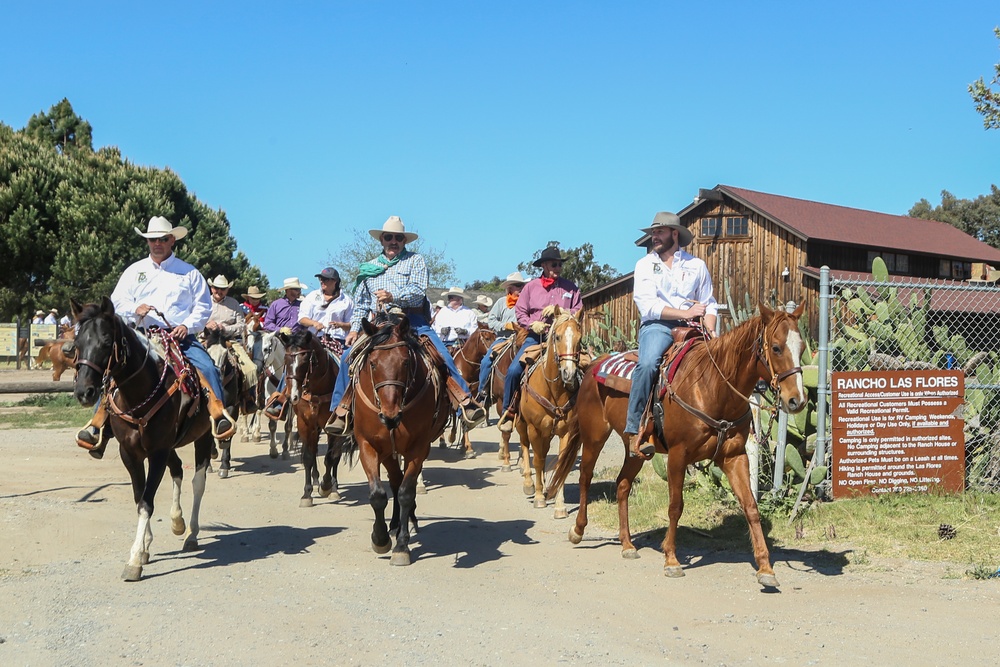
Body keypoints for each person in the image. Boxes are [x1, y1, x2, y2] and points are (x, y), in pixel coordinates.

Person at [76, 215, 234, 451]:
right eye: (152, 240)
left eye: (162, 239)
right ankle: (98, 426)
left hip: (179, 337)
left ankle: (218, 415)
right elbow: (116, 303)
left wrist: (186, 326)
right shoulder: (134, 271)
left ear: (172, 240)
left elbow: (202, 307)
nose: (157, 243)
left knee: (207, 367)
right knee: (111, 371)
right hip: (140, 336)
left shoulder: (189, 273)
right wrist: (134, 308)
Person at [323, 215, 485, 435]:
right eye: (388, 237)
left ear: (404, 241)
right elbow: (361, 303)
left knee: (442, 356)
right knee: (347, 357)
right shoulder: (369, 268)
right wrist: (353, 329)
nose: (393, 241)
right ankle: (340, 411)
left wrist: (394, 297)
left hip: (412, 321)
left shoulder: (415, 260)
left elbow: (418, 292)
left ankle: (465, 403)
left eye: (398, 238)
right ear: (381, 240)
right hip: (380, 323)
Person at [625, 211, 718, 459]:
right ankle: (637, 428)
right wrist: (686, 312)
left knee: (720, 363)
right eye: (653, 232)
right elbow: (649, 306)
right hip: (659, 325)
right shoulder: (645, 265)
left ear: (674, 234)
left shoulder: (696, 265)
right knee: (647, 364)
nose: (654, 236)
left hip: (694, 328)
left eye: (659, 231)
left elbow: (709, 303)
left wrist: (711, 330)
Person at [499, 247, 582, 432]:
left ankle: (585, 411)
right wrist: (532, 324)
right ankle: (509, 411)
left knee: (586, 368)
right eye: (554, 264)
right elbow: (520, 312)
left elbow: (578, 310)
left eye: (560, 264)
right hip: (537, 337)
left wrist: (562, 312)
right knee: (513, 370)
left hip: (564, 339)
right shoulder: (531, 287)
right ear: (544, 265)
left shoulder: (571, 288)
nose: (558, 267)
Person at [477, 271, 527, 398]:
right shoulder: (501, 302)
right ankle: (483, 390)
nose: (521, 288)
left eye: (522, 285)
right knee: (486, 361)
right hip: (503, 339)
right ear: (510, 288)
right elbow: (491, 321)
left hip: (523, 338)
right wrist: (505, 325)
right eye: (518, 285)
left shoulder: (528, 302)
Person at [298, 267, 354, 345]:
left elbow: (351, 324)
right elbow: (302, 319)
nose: (322, 281)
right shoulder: (312, 296)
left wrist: (341, 325)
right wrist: (314, 323)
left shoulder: (346, 301)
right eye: (321, 279)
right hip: (315, 340)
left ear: (335, 281)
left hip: (338, 340)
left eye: (325, 279)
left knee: (347, 356)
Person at [204, 275, 245, 341]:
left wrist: (225, 329)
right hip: (206, 339)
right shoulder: (203, 302)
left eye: (223, 289)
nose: (219, 291)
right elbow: (195, 322)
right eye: (216, 288)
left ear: (227, 290)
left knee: (241, 351)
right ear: (212, 288)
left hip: (228, 340)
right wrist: (206, 326)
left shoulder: (234, 303)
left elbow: (242, 325)